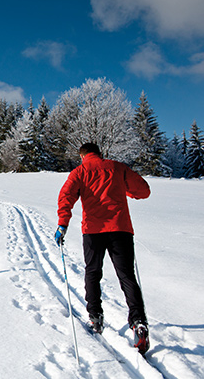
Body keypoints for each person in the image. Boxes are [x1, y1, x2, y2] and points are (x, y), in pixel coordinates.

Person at [55, 143, 151, 354]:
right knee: (127, 276)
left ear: (82, 156)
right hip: (121, 229)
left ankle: (96, 316)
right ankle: (139, 321)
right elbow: (143, 190)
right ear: (100, 153)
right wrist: (123, 189)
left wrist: (63, 223)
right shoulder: (117, 168)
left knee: (93, 272)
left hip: (93, 232)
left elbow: (67, 197)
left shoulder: (79, 172)